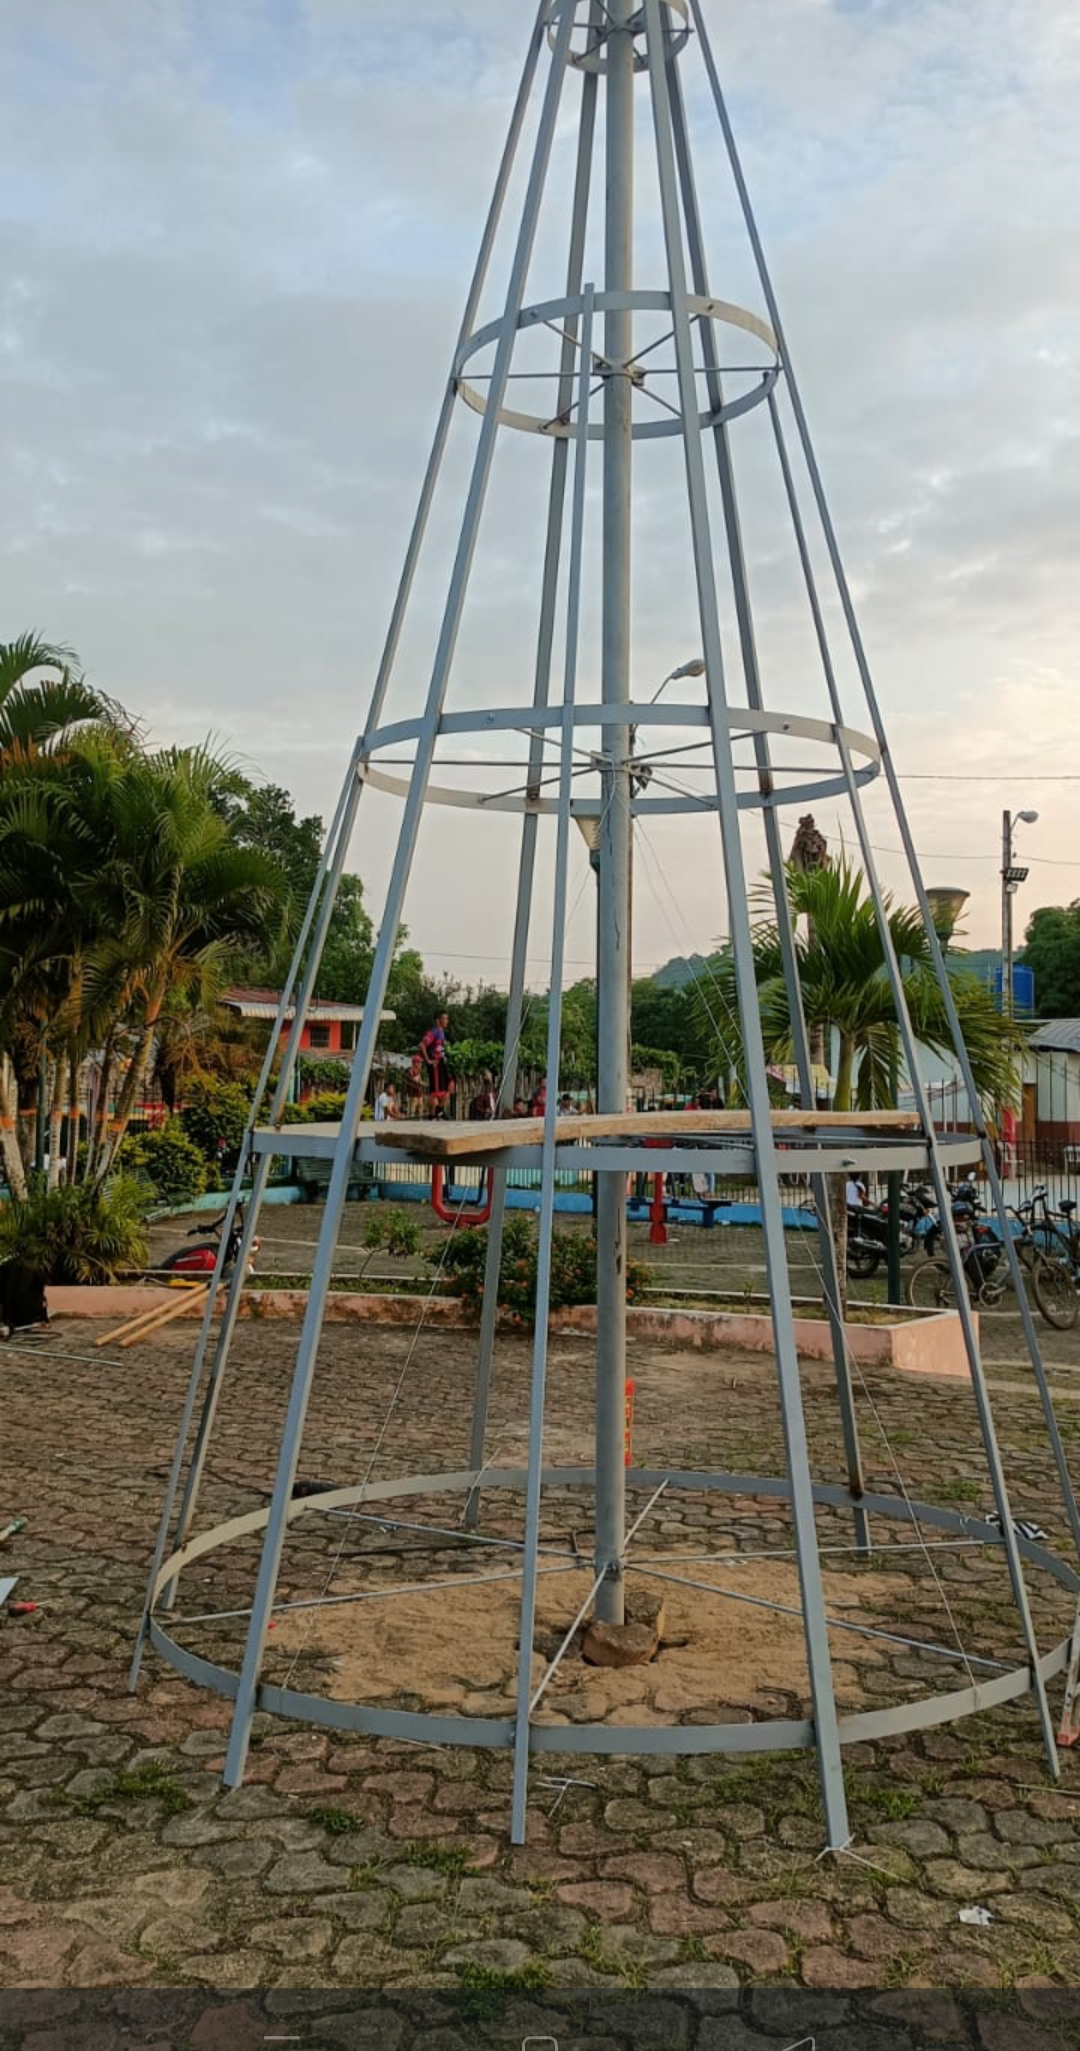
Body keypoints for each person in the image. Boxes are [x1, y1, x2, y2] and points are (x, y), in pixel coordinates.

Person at [420, 1011, 452, 1119]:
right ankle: (432, 1114)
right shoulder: (433, 1032)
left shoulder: (441, 1033)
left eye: (447, 1019)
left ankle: (440, 1111)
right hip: (435, 1064)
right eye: (445, 1019)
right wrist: (428, 1060)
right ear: (438, 1020)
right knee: (435, 1091)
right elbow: (422, 1045)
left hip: (442, 1063)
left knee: (446, 1089)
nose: (447, 1021)